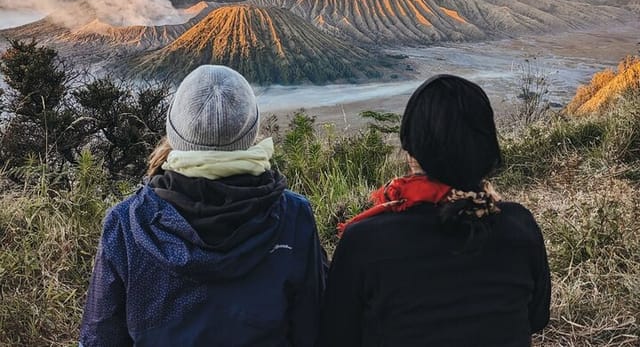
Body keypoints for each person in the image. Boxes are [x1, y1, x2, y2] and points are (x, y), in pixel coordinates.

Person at [80, 65, 326, 346]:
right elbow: (312, 327)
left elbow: (100, 337)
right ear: (252, 130)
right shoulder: (293, 215)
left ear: (175, 131)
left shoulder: (127, 223)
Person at [319, 74, 550, 347]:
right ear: (487, 149)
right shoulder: (519, 226)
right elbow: (536, 318)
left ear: (411, 153)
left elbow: (336, 335)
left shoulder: (364, 242)